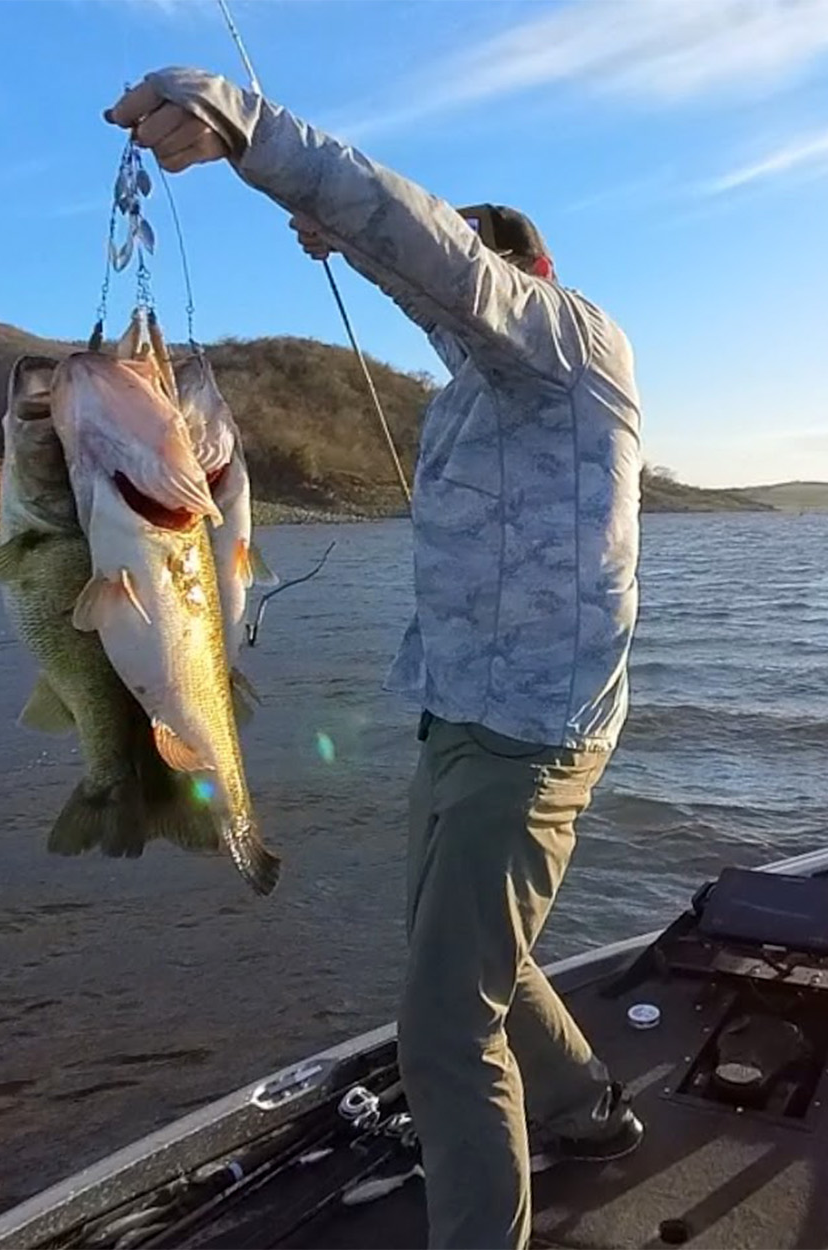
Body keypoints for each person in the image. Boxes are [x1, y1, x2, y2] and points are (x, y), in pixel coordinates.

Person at [105, 68, 645, 1250]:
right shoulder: (467, 395)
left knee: (446, 1028)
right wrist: (353, 244)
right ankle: (586, 1106)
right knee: (453, 959)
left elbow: (435, 254)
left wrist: (251, 132)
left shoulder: (571, 342)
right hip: (457, 718)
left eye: (469, 294)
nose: (449, 313)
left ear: (522, 282)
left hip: (536, 736)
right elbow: (425, 275)